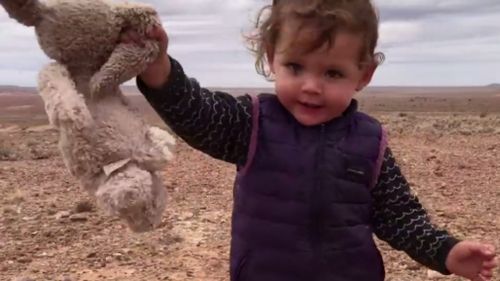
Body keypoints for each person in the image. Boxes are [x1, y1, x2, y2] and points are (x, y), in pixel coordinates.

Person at [121, 0, 498, 280]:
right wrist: (158, 67)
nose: (311, 87)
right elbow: (195, 112)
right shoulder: (250, 123)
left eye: (333, 72)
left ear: (363, 75)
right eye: (295, 67)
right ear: (272, 58)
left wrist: (446, 252)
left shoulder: (370, 142)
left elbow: (399, 217)